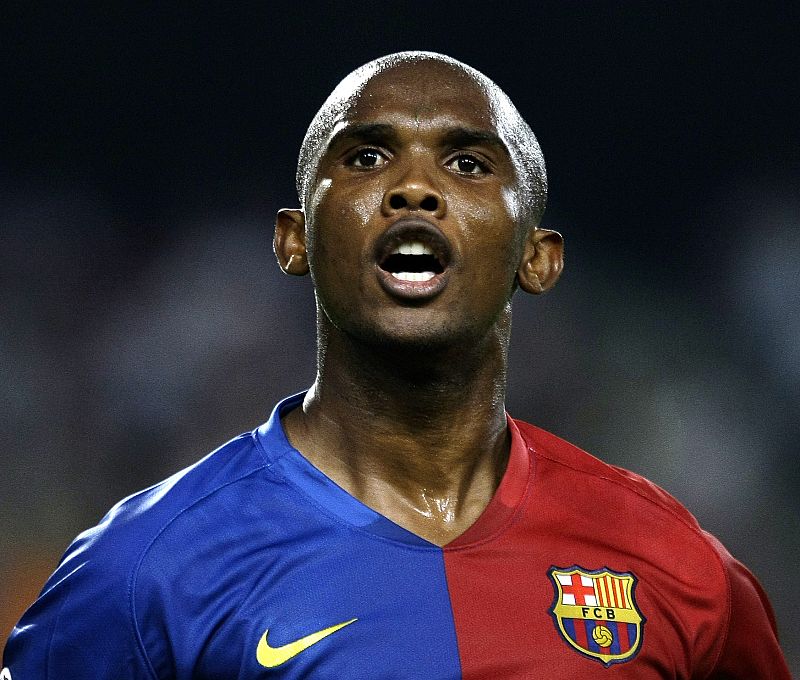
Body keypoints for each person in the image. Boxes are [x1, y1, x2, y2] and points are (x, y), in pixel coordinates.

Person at [2, 51, 790, 679]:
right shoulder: (142, 571)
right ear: (294, 241)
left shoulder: (677, 567)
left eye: (469, 164)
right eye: (367, 156)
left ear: (539, 257)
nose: (414, 188)